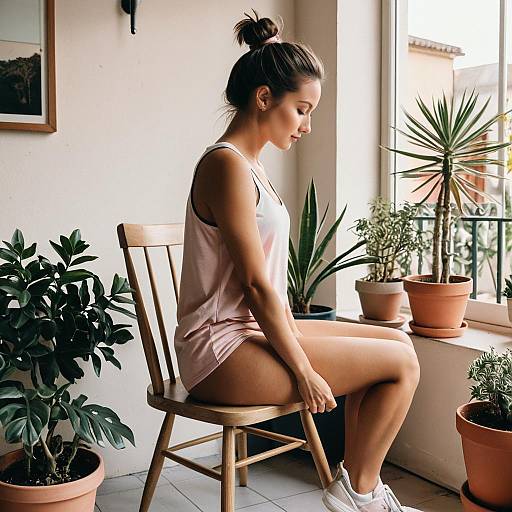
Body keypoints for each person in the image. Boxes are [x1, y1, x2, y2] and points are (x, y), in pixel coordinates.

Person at [174, 10, 422, 512]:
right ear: (264, 97)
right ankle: (360, 496)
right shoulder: (225, 165)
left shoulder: (252, 167)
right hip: (219, 350)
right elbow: (256, 286)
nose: (307, 126)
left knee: (397, 343)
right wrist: (304, 368)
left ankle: (358, 488)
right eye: (302, 110)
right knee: (398, 364)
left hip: (254, 333)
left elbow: (263, 290)